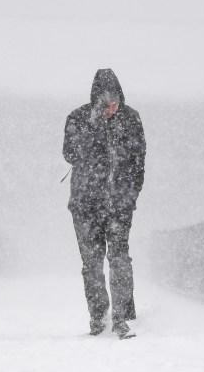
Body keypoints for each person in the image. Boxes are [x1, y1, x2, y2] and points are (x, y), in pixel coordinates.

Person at [62, 68, 146, 340]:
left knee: (120, 258)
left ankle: (121, 317)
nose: (111, 108)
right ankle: (98, 316)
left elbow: (138, 162)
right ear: (96, 100)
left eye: (115, 103)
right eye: (105, 103)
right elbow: (70, 154)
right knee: (92, 263)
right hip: (85, 204)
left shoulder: (131, 119)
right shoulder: (78, 118)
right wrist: (95, 128)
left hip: (119, 204)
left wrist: (129, 196)